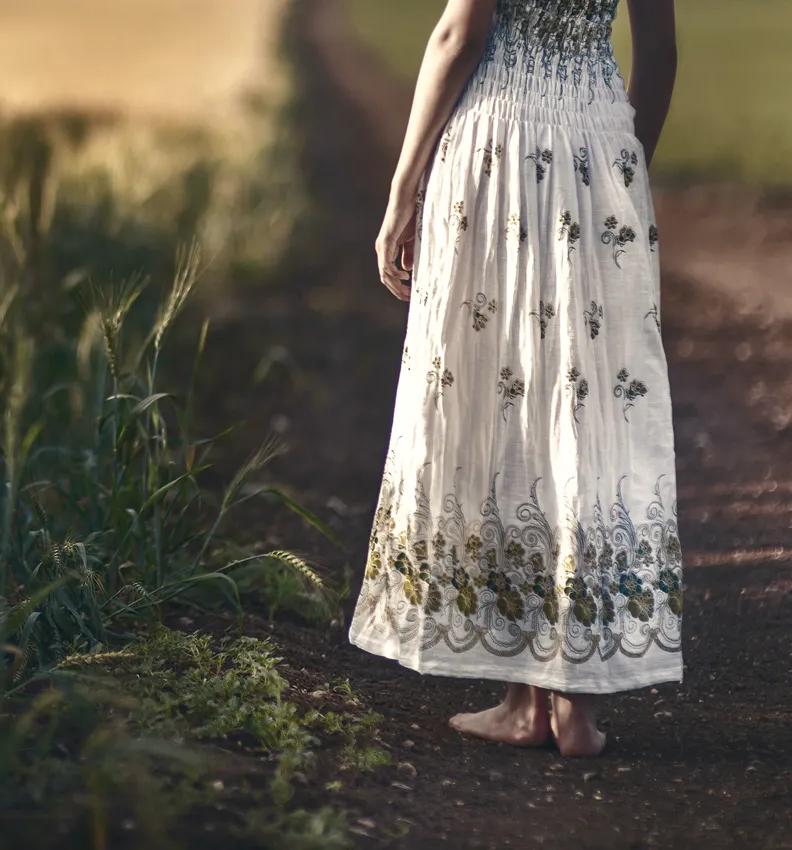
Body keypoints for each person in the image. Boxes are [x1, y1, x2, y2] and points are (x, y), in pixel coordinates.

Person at [348, 0, 680, 757]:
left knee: (504, 394)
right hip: (598, 138)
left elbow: (461, 31)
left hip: (499, 143)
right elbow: (657, 49)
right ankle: (572, 704)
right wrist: (626, 161)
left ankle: (526, 698)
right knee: (584, 398)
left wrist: (403, 189)